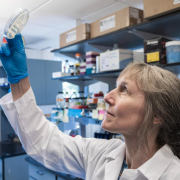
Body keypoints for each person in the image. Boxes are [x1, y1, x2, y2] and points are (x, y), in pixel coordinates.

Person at [0, 34, 180, 180]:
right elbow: (44, 142)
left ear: (157, 114)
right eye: (115, 86)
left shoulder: (173, 174)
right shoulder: (103, 153)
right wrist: (18, 80)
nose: (108, 96)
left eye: (124, 90)